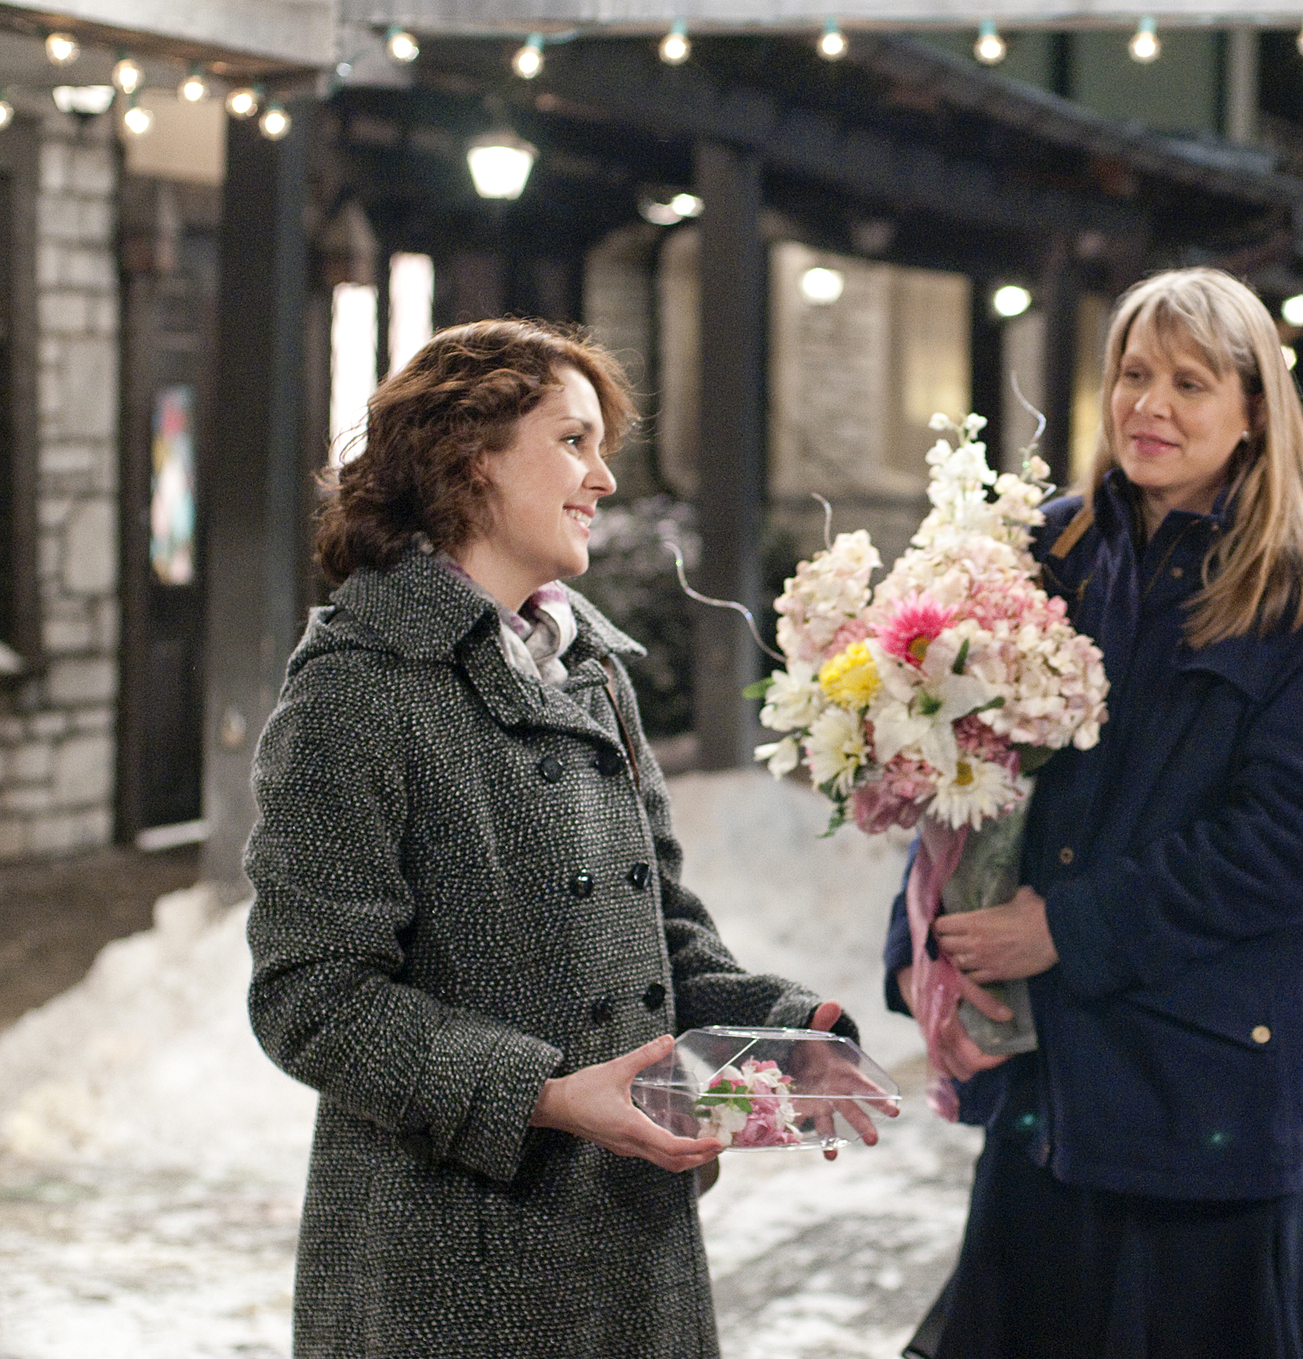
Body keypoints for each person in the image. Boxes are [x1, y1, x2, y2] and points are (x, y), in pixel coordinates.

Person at [245, 318, 881, 1359]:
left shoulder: (589, 670)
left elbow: (658, 928)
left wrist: (783, 1025)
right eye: (573, 442)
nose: (603, 480)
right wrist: (537, 1095)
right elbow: (310, 999)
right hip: (447, 1269)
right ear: (471, 457)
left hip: (628, 1246)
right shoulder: (358, 688)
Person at [885, 267, 1303, 1358]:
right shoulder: (1048, 552)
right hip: (1052, 1099)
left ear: (1254, 407)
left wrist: (1063, 928)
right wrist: (922, 943)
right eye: (1131, 373)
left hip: (1209, 1100)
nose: (1148, 406)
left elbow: (1293, 843)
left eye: (1188, 381)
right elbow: (967, 775)